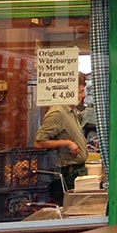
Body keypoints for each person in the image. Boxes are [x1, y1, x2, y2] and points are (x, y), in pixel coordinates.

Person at [34, 74, 89, 205]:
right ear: (69, 91)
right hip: (67, 174)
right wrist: (66, 143)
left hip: (76, 171)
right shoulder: (58, 113)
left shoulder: (70, 111)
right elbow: (38, 142)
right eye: (80, 92)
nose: (83, 96)